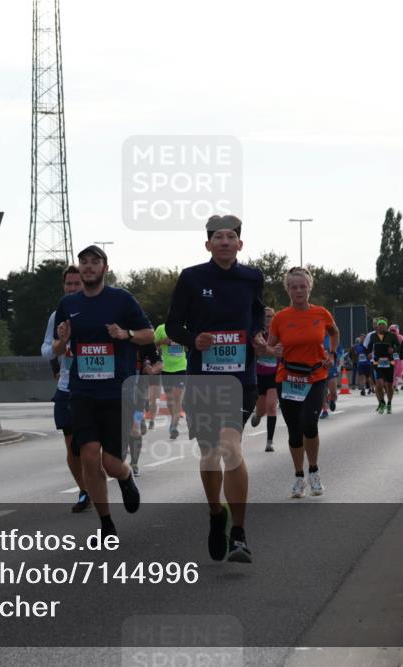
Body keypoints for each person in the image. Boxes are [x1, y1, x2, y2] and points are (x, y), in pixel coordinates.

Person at [166, 214, 265, 563]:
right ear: (208, 244)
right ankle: (215, 513)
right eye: (218, 237)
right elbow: (172, 325)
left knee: (230, 447)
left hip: (241, 378)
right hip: (203, 378)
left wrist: (257, 335)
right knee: (210, 453)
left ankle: (239, 532)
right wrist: (195, 339)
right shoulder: (192, 278)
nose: (224, 242)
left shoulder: (253, 277)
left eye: (231, 237)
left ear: (240, 244)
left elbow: (256, 315)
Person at [53, 244, 152, 538]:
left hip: (116, 393)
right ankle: (106, 523)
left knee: (110, 462)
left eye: (94, 262)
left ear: (105, 268)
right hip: (82, 391)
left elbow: (148, 334)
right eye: (83, 262)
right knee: (89, 454)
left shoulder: (121, 300)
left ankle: (125, 475)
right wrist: (62, 341)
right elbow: (58, 349)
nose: (88, 267)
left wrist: (126, 334)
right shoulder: (68, 304)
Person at [264, 267, 338, 497]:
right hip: (288, 378)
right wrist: (272, 350)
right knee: (294, 431)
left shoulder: (321, 313)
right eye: (293, 287)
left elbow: (334, 332)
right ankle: (299, 477)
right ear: (287, 290)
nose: (298, 290)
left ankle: (314, 471)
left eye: (302, 286)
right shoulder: (280, 318)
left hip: (315, 376)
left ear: (309, 288)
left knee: (309, 423)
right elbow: (269, 345)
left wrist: (332, 354)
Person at [41, 265, 89, 512]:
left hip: (94, 386)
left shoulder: (98, 311)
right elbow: (46, 349)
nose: (72, 289)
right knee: (72, 445)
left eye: (76, 284)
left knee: (93, 446)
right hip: (66, 386)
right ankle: (84, 490)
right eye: (68, 284)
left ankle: (105, 477)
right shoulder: (56, 316)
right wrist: (61, 343)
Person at [127, 343, 162, 477]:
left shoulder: (146, 342)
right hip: (116, 392)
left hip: (138, 394)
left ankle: (134, 463)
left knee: (135, 429)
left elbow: (159, 363)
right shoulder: (114, 338)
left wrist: (152, 369)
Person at [250, 307, 279, 451]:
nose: (268, 319)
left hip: (274, 376)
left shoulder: (278, 334)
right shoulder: (257, 333)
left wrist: (271, 351)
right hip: (259, 375)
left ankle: (269, 442)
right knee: (262, 410)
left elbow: (281, 352)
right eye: (265, 317)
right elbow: (258, 351)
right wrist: (270, 350)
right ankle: (258, 415)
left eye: (270, 316)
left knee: (272, 407)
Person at [154, 324, 187, 440]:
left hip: (181, 367)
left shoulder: (184, 328)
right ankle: (174, 420)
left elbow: (191, 343)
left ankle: (174, 425)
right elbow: (153, 344)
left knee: (177, 398)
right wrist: (163, 341)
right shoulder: (160, 329)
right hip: (166, 368)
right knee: (170, 399)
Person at [365, 318, 400, 414]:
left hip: (389, 362)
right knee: (379, 383)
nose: (381, 326)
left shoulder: (392, 336)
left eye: (383, 325)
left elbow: (399, 346)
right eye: (380, 325)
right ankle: (382, 402)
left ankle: (389, 403)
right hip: (377, 362)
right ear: (377, 326)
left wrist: (393, 350)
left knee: (389, 385)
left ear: (386, 326)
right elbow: (368, 348)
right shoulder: (373, 336)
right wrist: (368, 353)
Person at [321, 333, 345, 419]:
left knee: (333, 392)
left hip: (332, 368)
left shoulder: (333, 337)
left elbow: (340, 351)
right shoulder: (318, 336)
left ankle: (331, 400)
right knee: (322, 391)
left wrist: (334, 357)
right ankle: (324, 410)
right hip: (320, 368)